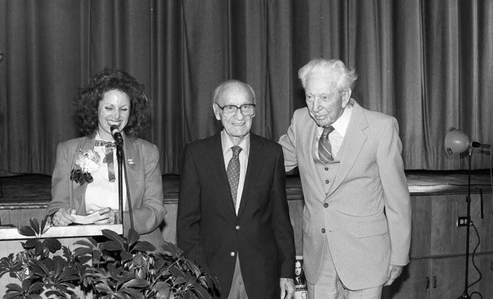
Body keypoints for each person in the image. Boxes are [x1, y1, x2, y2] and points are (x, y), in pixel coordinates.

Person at [279, 59, 411, 299]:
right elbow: (273, 161)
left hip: (365, 256)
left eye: (324, 98)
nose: (315, 107)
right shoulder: (301, 122)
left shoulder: (380, 127)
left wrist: (399, 255)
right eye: (310, 97)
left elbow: (397, 199)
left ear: (345, 94)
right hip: (318, 256)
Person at [177, 80, 296, 299]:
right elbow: (187, 224)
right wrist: (199, 276)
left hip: (262, 275)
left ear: (254, 110)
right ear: (217, 111)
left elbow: (280, 219)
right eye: (230, 107)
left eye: (246, 107)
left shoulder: (271, 154)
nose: (239, 116)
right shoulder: (196, 155)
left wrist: (287, 272)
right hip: (212, 276)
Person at [47, 69, 167, 246]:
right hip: (83, 247)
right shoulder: (68, 150)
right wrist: (58, 215)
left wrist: (120, 219)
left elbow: (155, 210)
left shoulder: (147, 152)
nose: (116, 116)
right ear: (95, 109)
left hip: (135, 247)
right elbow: (56, 205)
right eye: (109, 108)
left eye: (123, 109)